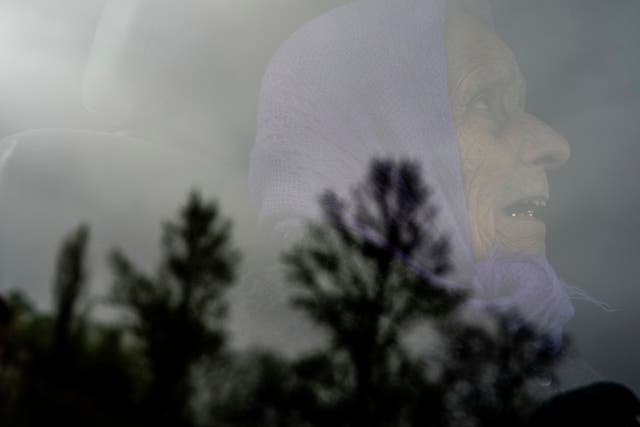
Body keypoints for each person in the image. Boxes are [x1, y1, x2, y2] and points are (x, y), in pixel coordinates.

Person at [250, 0, 583, 345]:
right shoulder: (280, 374)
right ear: (376, 149)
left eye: (518, 105)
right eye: (484, 101)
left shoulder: (535, 355)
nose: (555, 145)